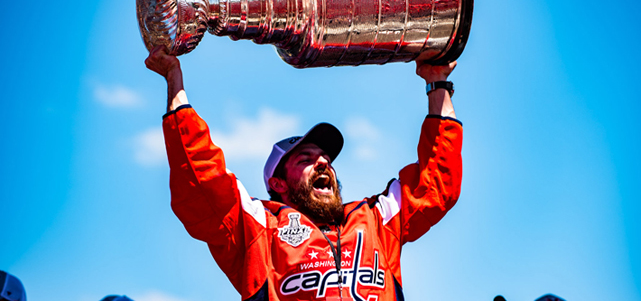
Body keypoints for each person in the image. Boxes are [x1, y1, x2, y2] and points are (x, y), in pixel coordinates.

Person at [145, 46, 463, 301]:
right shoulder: (258, 228)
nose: (323, 162)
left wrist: (438, 83)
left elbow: (436, 184)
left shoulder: (376, 220)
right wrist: (175, 82)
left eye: (326, 157)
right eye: (305, 159)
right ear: (277, 183)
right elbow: (203, 183)